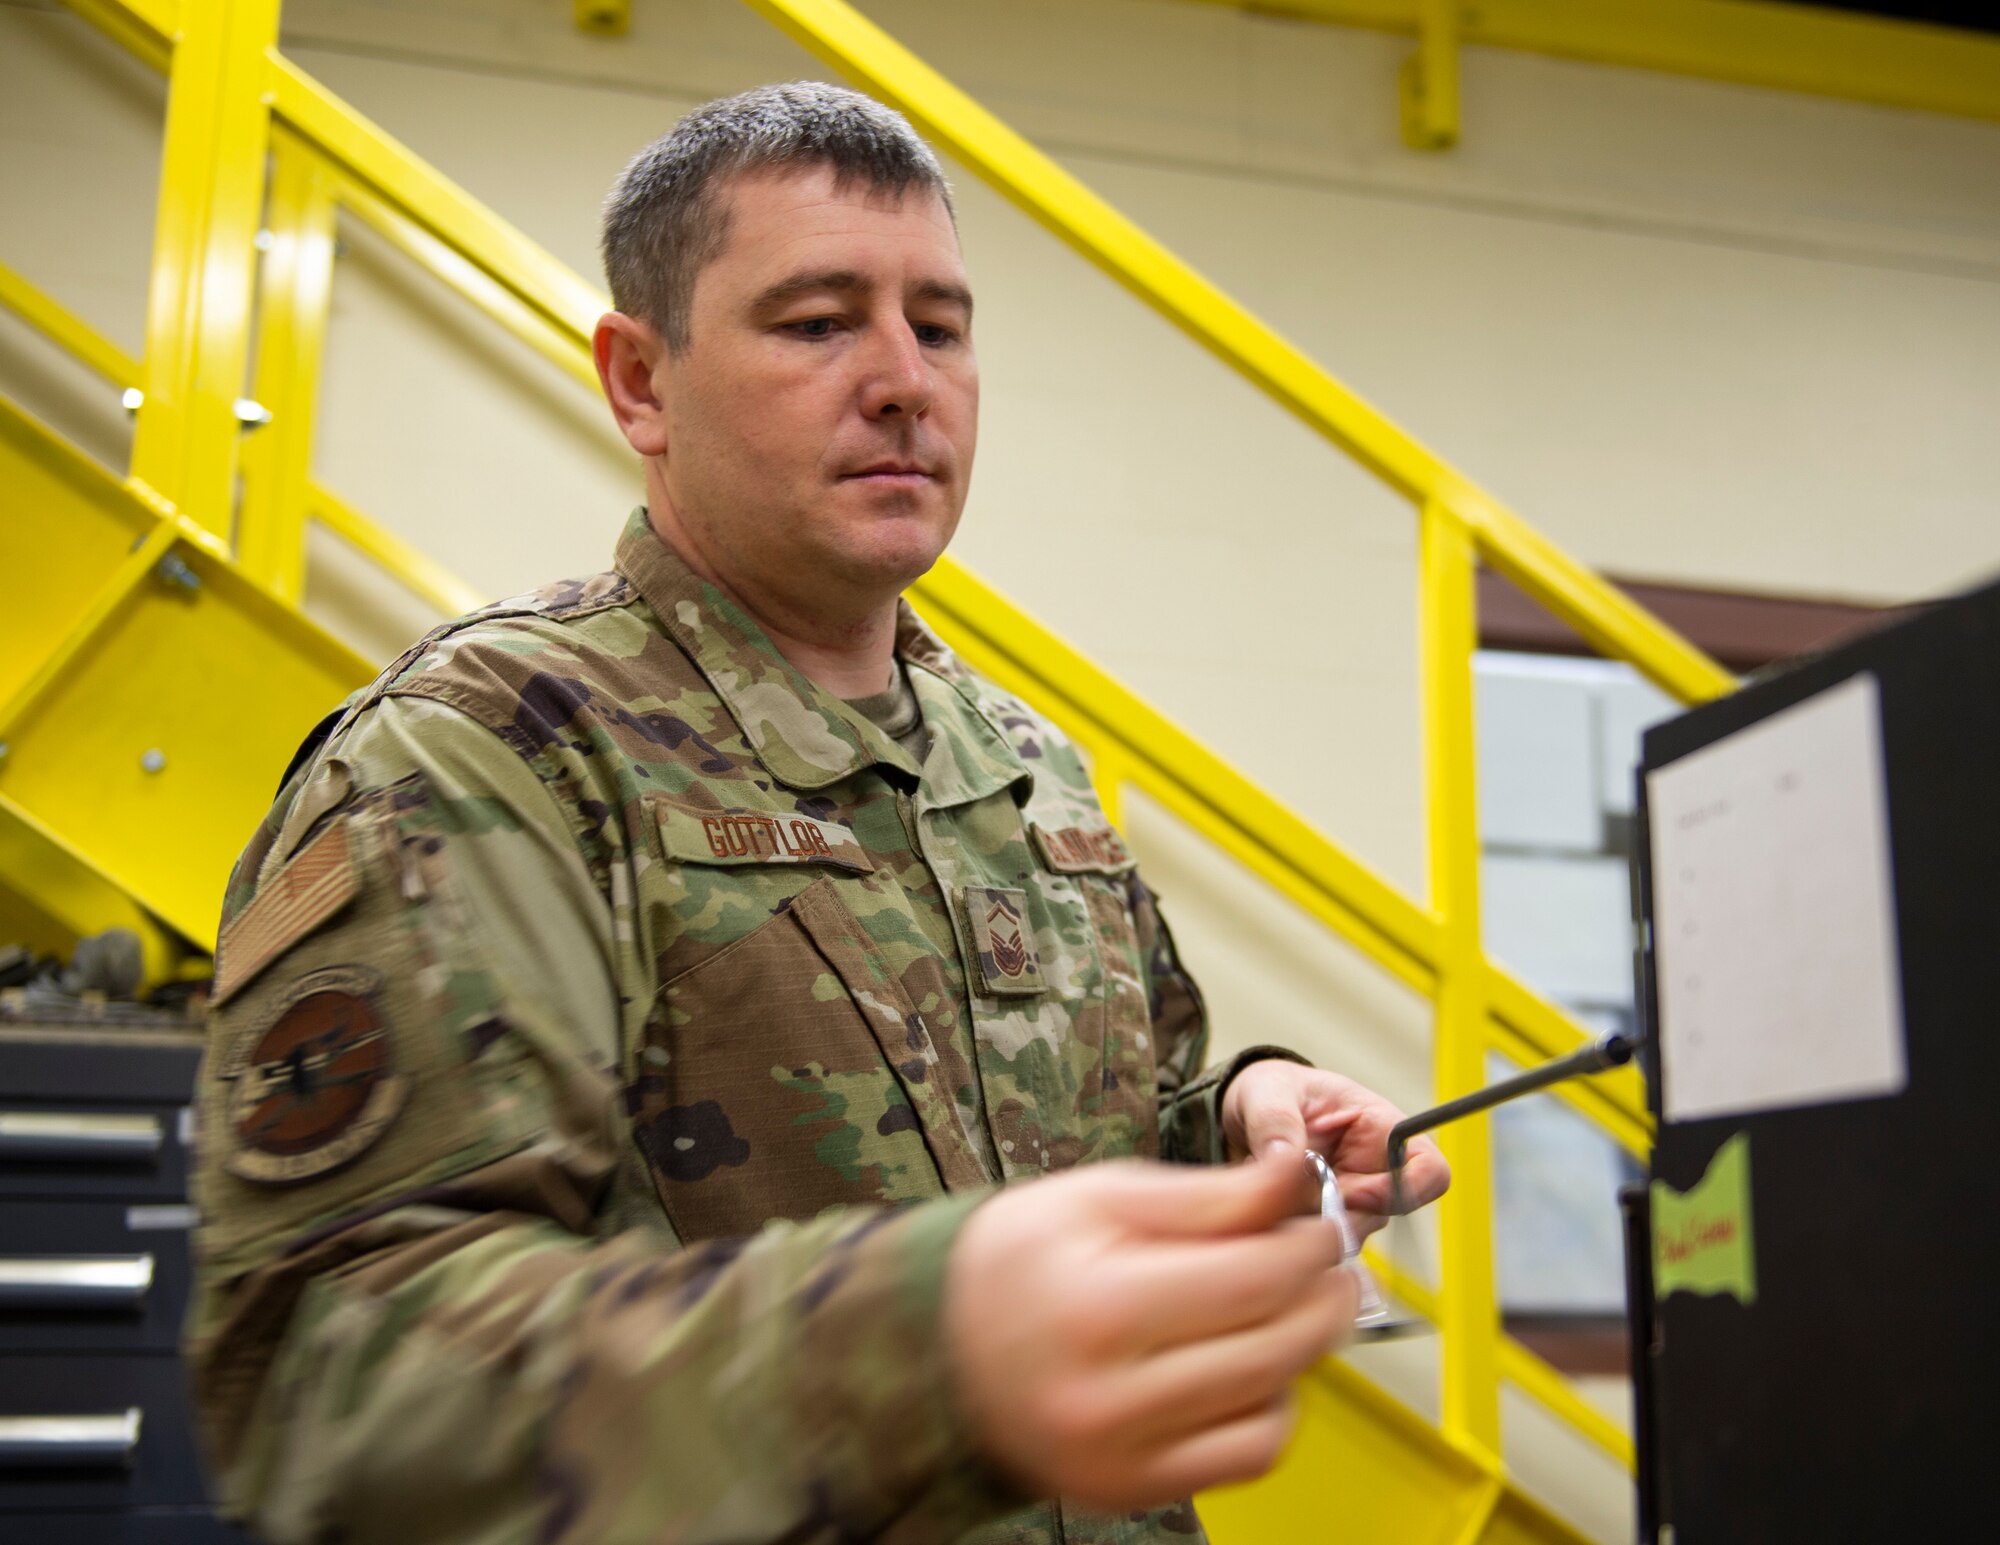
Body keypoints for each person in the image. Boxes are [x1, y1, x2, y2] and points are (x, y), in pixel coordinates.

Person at [185, 82, 1448, 1545]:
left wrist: (1238, 1121)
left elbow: (1095, 1124)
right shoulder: (485, 759)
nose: (908, 378)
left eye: (944, 324)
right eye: (817, 321)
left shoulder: (1019, 757)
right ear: (640, 383)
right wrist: (932, 1342)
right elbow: (332, 1382)